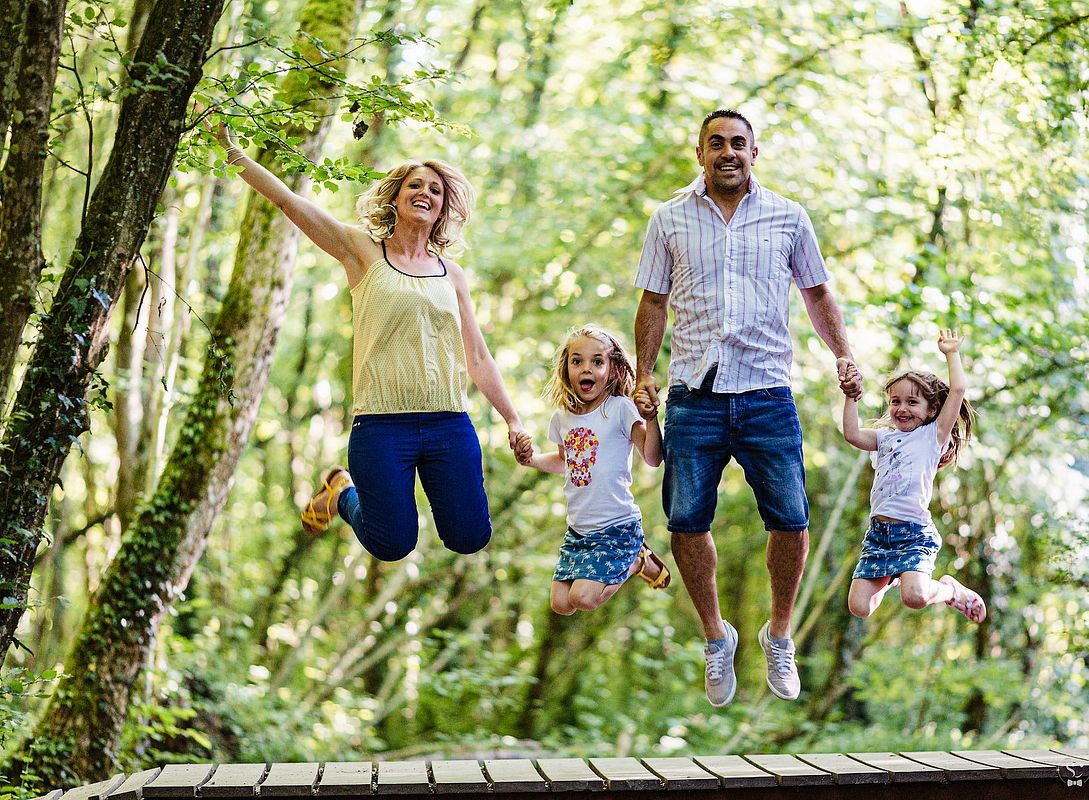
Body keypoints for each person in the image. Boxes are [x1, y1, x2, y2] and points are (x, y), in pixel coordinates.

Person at [213, 121, 529, 562]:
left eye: (436, 190)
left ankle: (349, 492)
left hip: (448, 423)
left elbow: (476, 355)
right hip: (382, 426)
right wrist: (234, 153)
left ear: (443, 208)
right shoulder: (361, 251)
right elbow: (288, 202)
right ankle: (342, 493)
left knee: (470, 537)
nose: (425, 193)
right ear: (396, 198)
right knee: (392, 544)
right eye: (415, 185)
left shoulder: (452, 274)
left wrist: (513, 419)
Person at [633, 109, 862, 707]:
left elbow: (817, 294)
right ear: (700, 153)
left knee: (791, 519)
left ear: (754, 153)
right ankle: (717, 638)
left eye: (739, 143)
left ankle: (778, 634)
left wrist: (842, 355)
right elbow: (653, 303)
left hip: (766, 392)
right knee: (686, 522)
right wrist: (642, 376)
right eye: (717, 143)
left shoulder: (788, 217)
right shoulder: (669, 219)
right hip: (693, 394)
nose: (728, 152)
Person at [516, 325, 670, 614]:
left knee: (583, 598)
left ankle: (635, 560)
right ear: (567, 369)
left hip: (616, 527)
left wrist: (651, 420)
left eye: (597, 361)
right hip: (579, 530)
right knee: (561, 604)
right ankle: (631, 560)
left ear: (612, 370)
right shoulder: (562, 418)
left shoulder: (621, 409)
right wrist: (532, 460)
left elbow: (653, 458)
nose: (586, 368)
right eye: (577, 361)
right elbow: (566, 462)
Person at [841, 329, 985, 623]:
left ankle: (950, 592)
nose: (902, 408)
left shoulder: (933, 437)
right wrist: (851, 397)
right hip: (879, 537)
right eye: (895, 402)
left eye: (912, 402)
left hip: (913, 534)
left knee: (915, 597)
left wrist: (951, 354)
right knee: (859, 607)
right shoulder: (884, 438)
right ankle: (895, 576)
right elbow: (852, 434)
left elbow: (957, 392)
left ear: (932, 409)